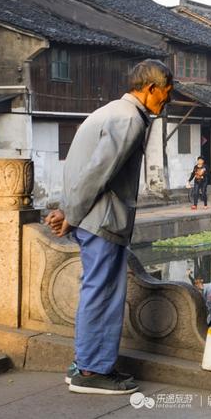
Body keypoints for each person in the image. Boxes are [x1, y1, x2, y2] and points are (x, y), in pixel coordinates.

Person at [44, 59, 173, 394]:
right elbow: (100, 171)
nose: (166, 102)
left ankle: (84, 364)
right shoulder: (130, 119)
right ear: (150, 88)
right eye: (166, 94)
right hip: (102, 219)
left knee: (95, 291)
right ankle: (91, 372)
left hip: (89, 216)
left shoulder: (109, 111)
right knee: (102, 295)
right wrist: (69, 213)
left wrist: (67, 209)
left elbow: (82, 167)